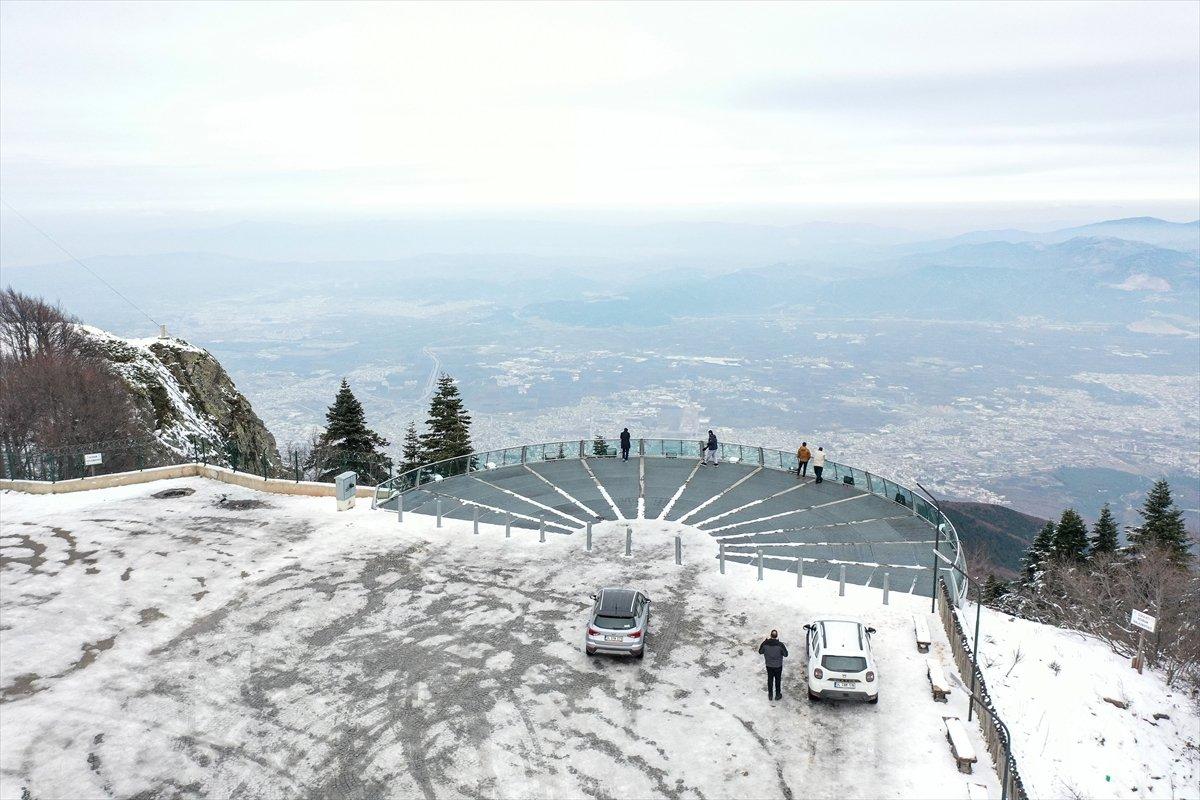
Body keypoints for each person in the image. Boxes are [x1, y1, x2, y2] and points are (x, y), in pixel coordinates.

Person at [758, 629, 788, 700]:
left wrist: (764, 642)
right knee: (778, 680)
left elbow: (760, 651)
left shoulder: (765, 644)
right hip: (778, 666)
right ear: (777, 636)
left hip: (769, 665)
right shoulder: (780, 645)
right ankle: (778, 694)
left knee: (770, 679)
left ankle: (770, 695)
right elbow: (786, 654)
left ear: (770, 635)